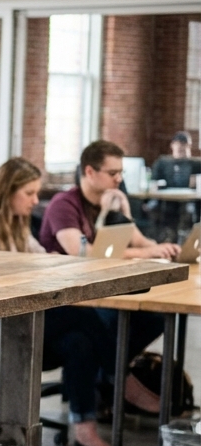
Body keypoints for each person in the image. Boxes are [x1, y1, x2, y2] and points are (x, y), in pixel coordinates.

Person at [0, 157, 152, 446]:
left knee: (80, 342)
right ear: (7, 192)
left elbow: (43, 260)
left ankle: (84, 430)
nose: (36, 201)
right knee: (82, 315)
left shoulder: (18, 225)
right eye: (29, 193)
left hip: (21, 319)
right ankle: (118, 377)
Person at [38, 140, 174, 407]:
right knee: (106, 321)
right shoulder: (64, 204)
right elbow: (84, 254)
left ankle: (106, 376)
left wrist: (162, 248)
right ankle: (117, 378)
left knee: (154, 319)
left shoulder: (109, 202)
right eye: (113, 173)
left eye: (120, 173)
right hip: (69, 300)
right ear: (90, 172)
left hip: (102, 292)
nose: (119, 179)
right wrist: (146, 254)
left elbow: (140, 242)